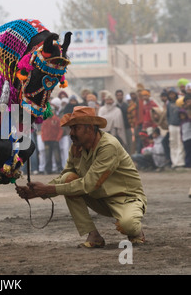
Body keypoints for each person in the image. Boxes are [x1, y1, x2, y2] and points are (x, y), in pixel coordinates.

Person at [16, 106, 147, 248]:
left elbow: (89, 184)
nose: (71, 133)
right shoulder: (76, 147)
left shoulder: (108, 146)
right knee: (68, 179)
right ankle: (93, 235)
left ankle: (136, 231)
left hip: (125, 198)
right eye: (70, 129)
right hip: (99, 197)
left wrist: (46, 189)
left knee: (128, 225)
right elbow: (64, 177)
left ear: (89, 128)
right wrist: (37, 192)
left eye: (75, 128)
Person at [41, 99, 63, 174]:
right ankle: (48, 169)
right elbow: (42, 130)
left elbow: (60, 129)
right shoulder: (45, 119)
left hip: (55, 140)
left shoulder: (56, 119)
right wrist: (43, 138)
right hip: (47, 140)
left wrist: (58, 138)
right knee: (48, 155)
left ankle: (59, 167)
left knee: (57, 155)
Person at [166, 87, 185, 169]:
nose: (171, 95)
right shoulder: (168, 104)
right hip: (172, 125)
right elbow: (168, 115)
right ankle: (174, 162)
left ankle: (180, 162)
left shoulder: (179, 103)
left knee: (179, 143)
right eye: (170, 94)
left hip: (179, 125)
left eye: (173, 94)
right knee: (173, 143)